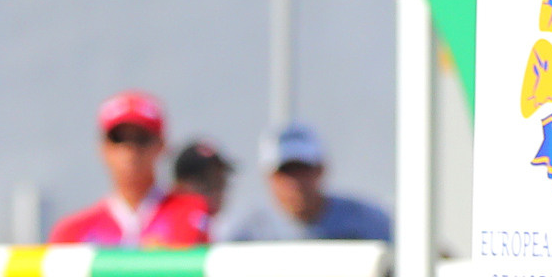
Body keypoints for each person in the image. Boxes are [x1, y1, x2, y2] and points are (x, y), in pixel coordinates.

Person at [48, 91, 211, 247]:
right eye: (118, 138)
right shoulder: (72, 232)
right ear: (103, 147)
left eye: (141, 138)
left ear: (161, 145)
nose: (130, 149)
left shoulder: (189, 213)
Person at [220, 122, 393, 242]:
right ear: (269, 177)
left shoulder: (366, 222)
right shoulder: (244, 231)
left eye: (303, 170)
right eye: (285, 171)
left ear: (321, 169)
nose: (295, 182)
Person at [171, 139, 234, 222]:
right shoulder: (164, 224)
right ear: (180, 185)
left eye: (220, 182)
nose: (216, 191)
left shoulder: (224, 228)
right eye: (208, 182)